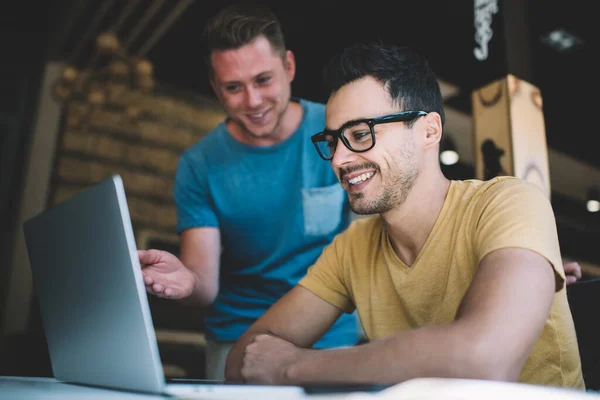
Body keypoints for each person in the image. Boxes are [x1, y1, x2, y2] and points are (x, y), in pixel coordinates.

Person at [223, 42, 585, 389]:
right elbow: (246, 357)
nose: (338, 160)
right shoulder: (354, 247)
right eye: (333, 142)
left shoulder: (509, 203)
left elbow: (484, 359)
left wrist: (292, 367)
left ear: (429, 130)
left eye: (361, 134)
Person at [137, 3, 360, 380]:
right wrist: (187, 281)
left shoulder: (339, 129)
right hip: (237, 340)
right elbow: (204, 284)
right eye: (233, 88)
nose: (253, 101)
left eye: (263, 80)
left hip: (329, 336)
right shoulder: (199, 164)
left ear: (289, 67)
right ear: (215, 88)